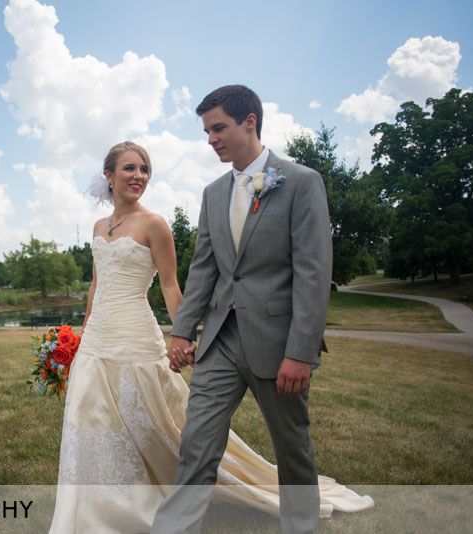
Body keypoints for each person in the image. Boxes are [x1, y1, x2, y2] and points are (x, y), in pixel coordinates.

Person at [49, 140, 372, 533]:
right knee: (92, 421)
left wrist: (182, 334)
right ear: (109, 176)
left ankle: (155, 497)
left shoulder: (155, 225)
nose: (138, 176)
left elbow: (171, 285)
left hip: (136, 336)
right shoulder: (100, 227)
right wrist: (81, 335)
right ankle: (93, 504)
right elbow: (96, 285)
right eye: (130, 169)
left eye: (144, 169)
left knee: (158, 424)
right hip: (97, 339)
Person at [150, 84, 347, 534]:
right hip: (220, 338)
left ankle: (300, 526)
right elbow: (204, 270)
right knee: (197, 441)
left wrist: (300, 352)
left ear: (250, 122)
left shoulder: (301, 182)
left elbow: (314, 273)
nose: (211, 139)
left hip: (278, 343)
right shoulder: (213, 193)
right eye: (207, 131)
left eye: (218, 128)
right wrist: (182, 331)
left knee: (291, 446)